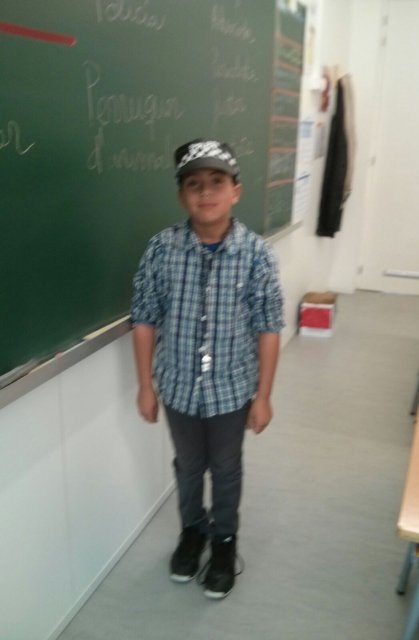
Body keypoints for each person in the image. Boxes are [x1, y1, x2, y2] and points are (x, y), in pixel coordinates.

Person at [131, 139, 284, 599]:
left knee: (226, 467)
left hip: (231, 390)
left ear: (236, 191)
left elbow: (269, 326)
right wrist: (145, 385)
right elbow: (144, 318)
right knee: (188, 466)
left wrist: (263, 396)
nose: (206, 193)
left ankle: (223, 541)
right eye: (194, 184)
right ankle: (192, 531)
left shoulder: (256, 254)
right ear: (182, 196)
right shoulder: (162, 249)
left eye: (217, 182)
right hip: (177, 386)